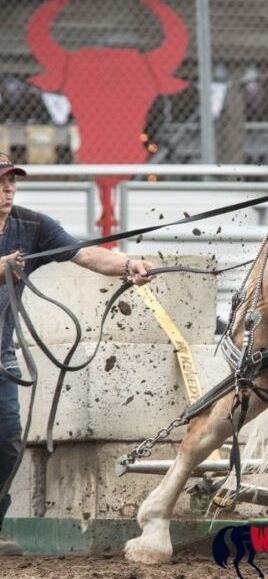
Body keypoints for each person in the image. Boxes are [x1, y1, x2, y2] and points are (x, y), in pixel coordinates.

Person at [0, 153, 154, 556]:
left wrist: (128, 264)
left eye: (12, 181)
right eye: (1, 183)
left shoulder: (31, 225)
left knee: (8, 441)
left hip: (0, 357)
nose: (8, 189)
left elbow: (86, 254)